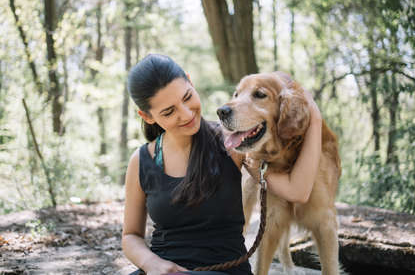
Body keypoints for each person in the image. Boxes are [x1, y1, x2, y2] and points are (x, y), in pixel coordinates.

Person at [122, 54, 322, 275]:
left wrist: (315, 120)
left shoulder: (232, 145)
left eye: (187, 97)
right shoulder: (141, 161)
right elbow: (130, 236)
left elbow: (298, 190)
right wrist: (152, 263)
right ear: (147, 116)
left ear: (190, 81)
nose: (186, 113)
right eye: (169, 112)